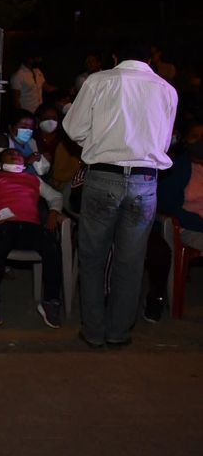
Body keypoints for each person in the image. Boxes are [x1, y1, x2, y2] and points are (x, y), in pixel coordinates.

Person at [63, 46, 177, 348]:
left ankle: (93, 331)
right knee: (131, 261)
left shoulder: (98, 81)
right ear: (150, 58)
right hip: (145, 180)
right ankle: (118, 332)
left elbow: (73, 128)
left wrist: (99, 141)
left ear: (115, 57)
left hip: (104, 176)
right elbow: (164, 142)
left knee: (92, 257)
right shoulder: (166, 89)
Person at [0, 149, 65, 327]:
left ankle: (51, 301)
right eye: (10, 153)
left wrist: (54, 213)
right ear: (0, 164)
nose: (15, 155)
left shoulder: (33, 179)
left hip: (31, 227)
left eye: (18, 153)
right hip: (4, 226)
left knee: (52, 247)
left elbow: (56, 196)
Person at [147, 120, 203, 321]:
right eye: (195, 137)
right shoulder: (178, 167)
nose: (200, 142)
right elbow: (168, 205)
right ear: (185, 140)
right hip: (189, 227)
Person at [0, 109, 51, 177]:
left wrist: (43, 160)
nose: (27, 131)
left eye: (30, 128)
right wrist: (26, 161)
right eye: (23, 127)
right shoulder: (1, 140)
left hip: (33, 180)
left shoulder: (32, 142)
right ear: (11, 127)